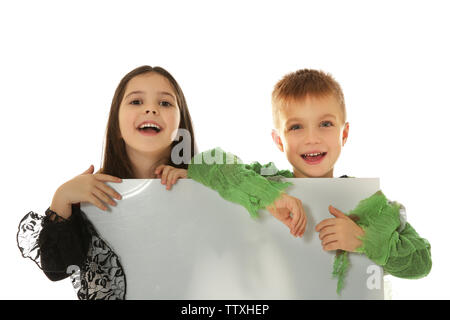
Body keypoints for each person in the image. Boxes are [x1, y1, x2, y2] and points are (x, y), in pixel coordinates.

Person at [16, 65, 305, 300]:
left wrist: (200, 185)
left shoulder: (207, 175)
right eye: (136, 101)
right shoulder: (94, 193)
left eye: (165, 102)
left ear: (181, 126)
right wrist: (62, 199)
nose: (151, 109)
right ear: (116, 125)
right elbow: (56, 270)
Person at [159, 69, 432, 295]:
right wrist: (268, 196)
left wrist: (364, 240)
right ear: (279, 140)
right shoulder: (267, 183)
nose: (312, 138)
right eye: (296, 127)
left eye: (325, 124)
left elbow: (421, 262)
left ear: (344, 133)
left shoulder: (374, 205)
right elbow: (210, 161)